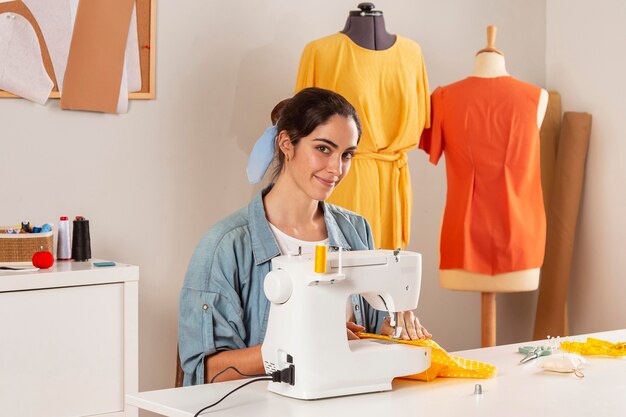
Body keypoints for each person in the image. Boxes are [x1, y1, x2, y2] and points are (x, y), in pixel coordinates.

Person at [179, 87, 430, 386]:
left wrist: (396, 326)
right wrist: (294, 345)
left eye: (346, 154)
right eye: (323, 149)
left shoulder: (355, 231)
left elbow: (373, 331)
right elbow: (205, 372)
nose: (336, 169)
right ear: (287, 143)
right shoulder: (225, 247)